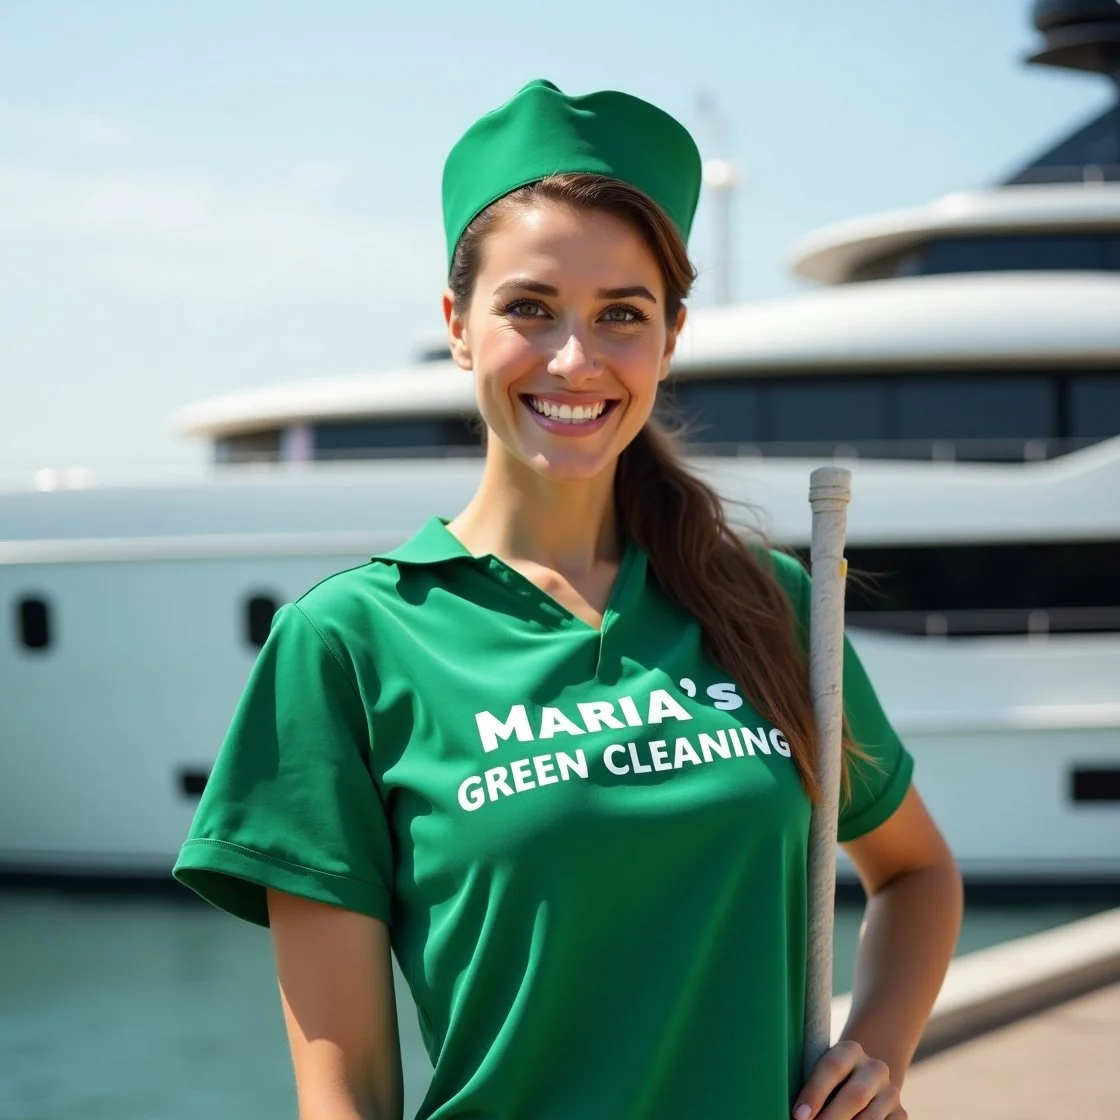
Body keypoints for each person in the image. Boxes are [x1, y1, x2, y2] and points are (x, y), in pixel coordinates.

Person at [174, 79, 963, 1120]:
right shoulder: (347, 645)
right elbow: (346, 1093)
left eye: (621, 315)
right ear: (458, 325)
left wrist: (877, 1051)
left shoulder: (764, 602)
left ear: (670, 338)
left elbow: (914, 873)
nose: (575, 359)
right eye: (529, 309)